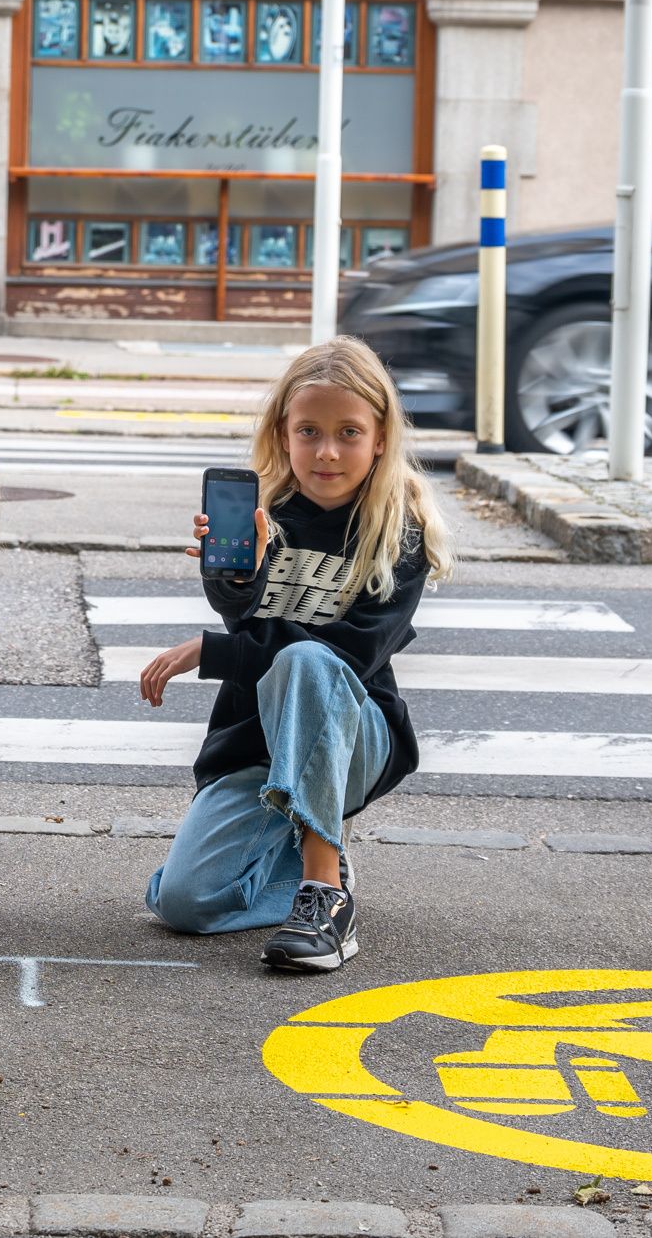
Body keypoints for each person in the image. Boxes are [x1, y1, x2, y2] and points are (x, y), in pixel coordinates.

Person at [137, 337, 452, 972]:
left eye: (348, 432)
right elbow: (243, 620)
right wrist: (237, 581)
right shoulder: (263, 517)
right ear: (283, 434)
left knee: (308, 662)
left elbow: (350, 653)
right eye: (308, 430)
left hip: (353, 737)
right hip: (255, 744)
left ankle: (324, 893)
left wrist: (216, 653)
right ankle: (310, 845)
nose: (327, 451)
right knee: (184, 904)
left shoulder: (400, 531)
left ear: (382, 437)